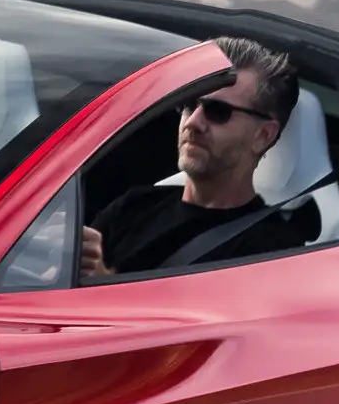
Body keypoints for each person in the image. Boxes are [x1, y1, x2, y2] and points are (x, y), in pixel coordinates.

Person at [79, 40, 318, 276]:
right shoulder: (134, 205)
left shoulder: (273, 252)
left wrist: (98, 282)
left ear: (262, 135)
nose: (193, 122)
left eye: (218, 111)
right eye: (189, 104)